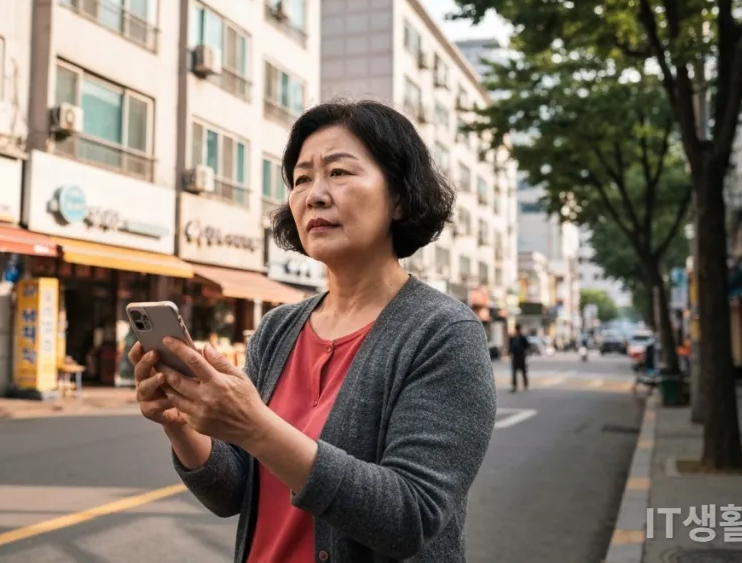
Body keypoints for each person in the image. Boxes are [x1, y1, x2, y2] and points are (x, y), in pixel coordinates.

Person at [129, 99, 497, 562]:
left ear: (400, 197)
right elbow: (233, 492)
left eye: (339, 172)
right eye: (302, 179)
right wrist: (182, 425)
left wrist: (255, 427)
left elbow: (411, 518)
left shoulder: (444, 332)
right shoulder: (278, 328)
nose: (314, 195)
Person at [508, 324, 530, 392]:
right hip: (516, 357)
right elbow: (511, 346)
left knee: (523, 371)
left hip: (521, 356)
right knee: (515, 372)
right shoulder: (513, 337)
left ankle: (525, 385)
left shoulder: (522, 337)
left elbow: (527, 345)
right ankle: (515, 386)